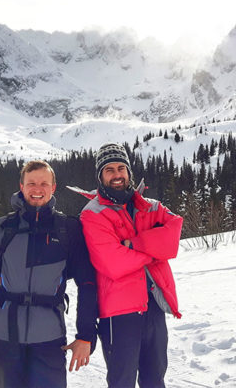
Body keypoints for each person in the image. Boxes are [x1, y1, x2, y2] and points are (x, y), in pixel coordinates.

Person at [0, 160, 98, 388]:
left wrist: (86, 335)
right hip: (6, 338)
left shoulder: (67, 229)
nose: (38, 189)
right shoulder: (1, 229)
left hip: (50, 339)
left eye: (44, 183)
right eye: (31, 183)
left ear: (53, 187)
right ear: (22, 186)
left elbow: (87, 283)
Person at [70, 143, 183, 388]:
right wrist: (154, 253)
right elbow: (112, 262)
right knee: (122, 382)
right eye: (109, 169)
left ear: (129, 172)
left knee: (155, 379)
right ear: (100, 176)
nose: (117, 174)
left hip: (152, 306)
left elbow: (172, 236)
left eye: (121, 167)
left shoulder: (150, 205)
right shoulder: (92, 214)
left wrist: (133, 244)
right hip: (118, 315)